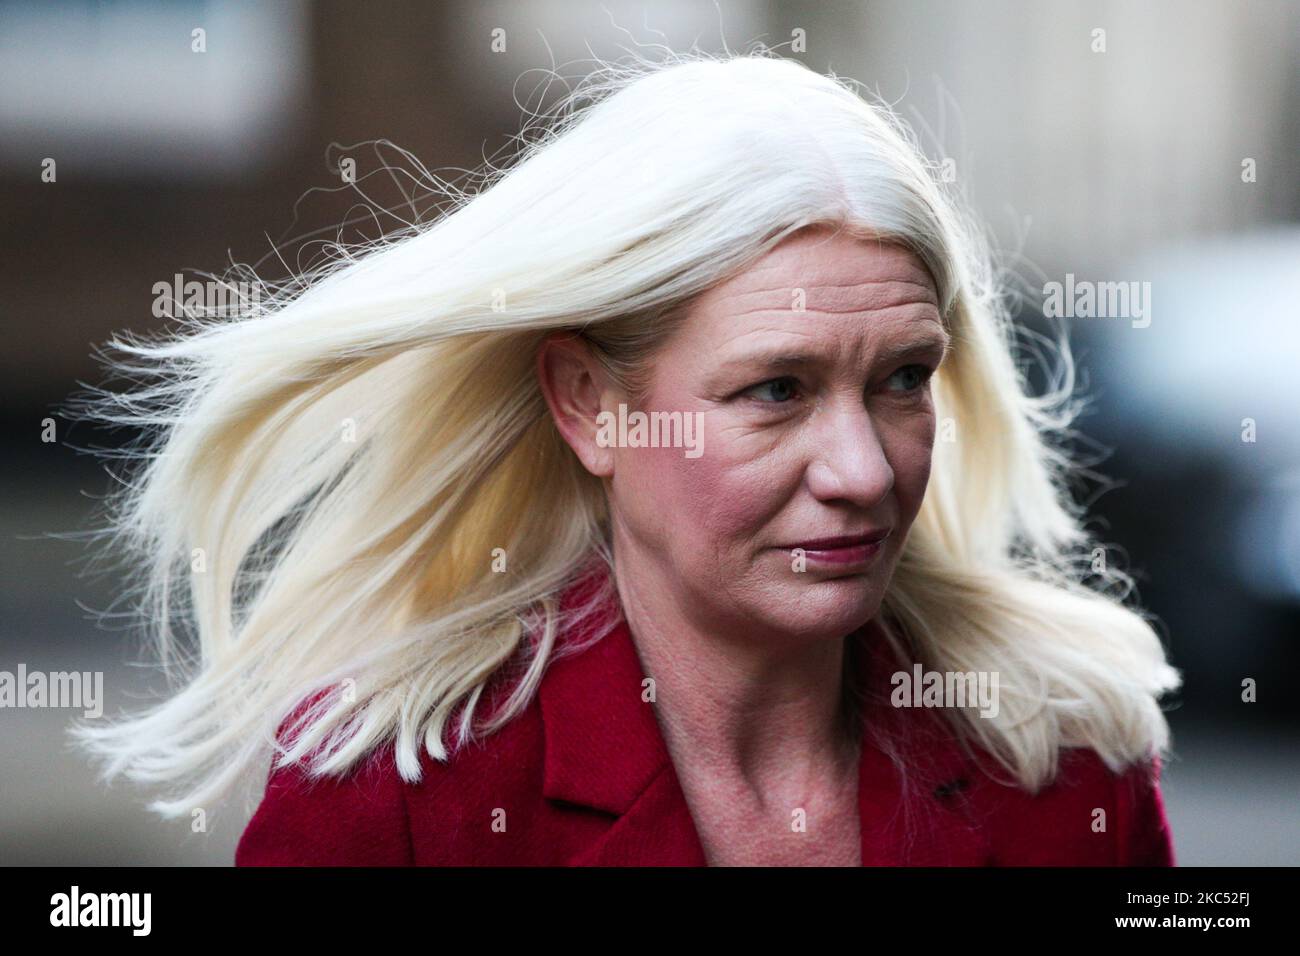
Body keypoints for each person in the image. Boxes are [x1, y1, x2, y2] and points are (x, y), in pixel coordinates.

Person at [71, 51, 1181, 866]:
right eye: (776, 389)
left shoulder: (1064, 754)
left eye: (900, 378)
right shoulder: (400, 809)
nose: (863, 469)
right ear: (588, 402)